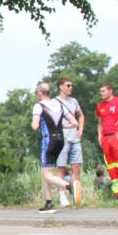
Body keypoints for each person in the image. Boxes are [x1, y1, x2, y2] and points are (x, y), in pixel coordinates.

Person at [31, 82, 76, 214]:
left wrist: (36, 124)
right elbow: (73, 122)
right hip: (60, 140)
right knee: (48, 171)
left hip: (48, 141)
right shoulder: (59, 104)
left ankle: (68, 185)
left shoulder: (39, 106)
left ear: (40, 93)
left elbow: (34, 126)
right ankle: (49, 202)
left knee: (47, 174)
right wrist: (61, 127)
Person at [96, 83, 118, 200]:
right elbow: (100, 122)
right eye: (100, 91)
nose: (101, 93)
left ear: (110, 91)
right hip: (105, 138)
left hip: (116, 136)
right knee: (111, 165)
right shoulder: (100, 106)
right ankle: (117, 193)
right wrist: (99, 136)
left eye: (103, 91)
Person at [55, 77, 85, 205]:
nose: (70, 87)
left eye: (71, 85)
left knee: (76, 166)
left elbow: (81, 115)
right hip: (62, 139)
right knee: (61, 168)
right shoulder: (55, 102)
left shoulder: (74, 101)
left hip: (74, 138)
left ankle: (77, 197)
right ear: (61, 86)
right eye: (68, 85)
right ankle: (62, 196)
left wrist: (80, 129)